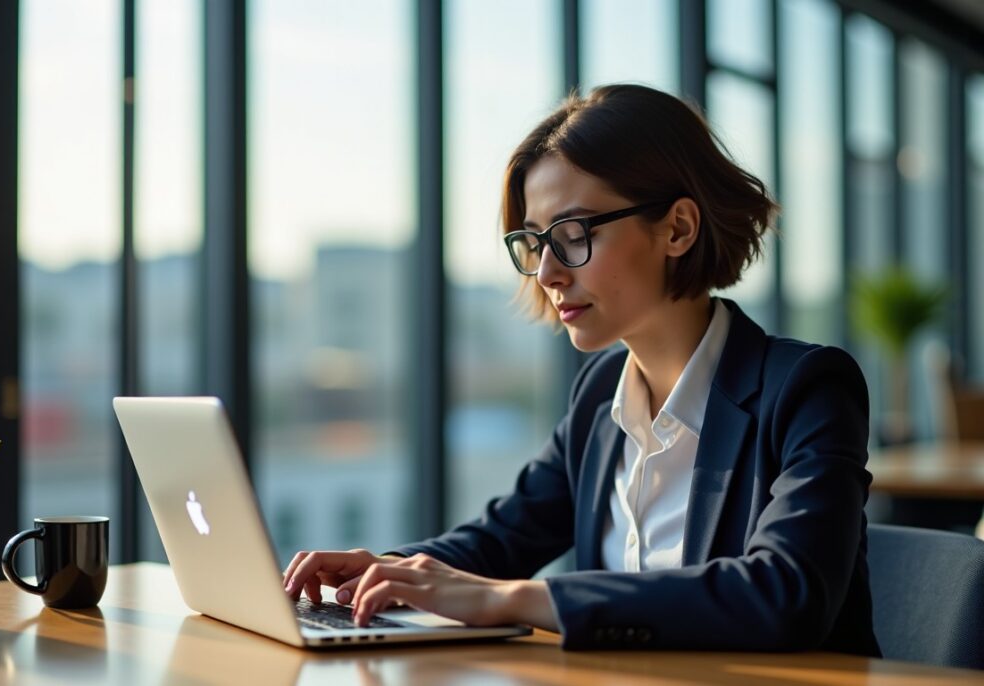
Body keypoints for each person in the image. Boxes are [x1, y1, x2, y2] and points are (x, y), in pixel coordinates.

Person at [281, 84, 880, 655]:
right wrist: (383, 569)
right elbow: (499, 541)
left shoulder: (806, 387)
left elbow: (786, 594)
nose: (546, 273)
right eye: (535, 243)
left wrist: (512, 600)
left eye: (571, 235)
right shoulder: (600, 397)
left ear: (677, 228)